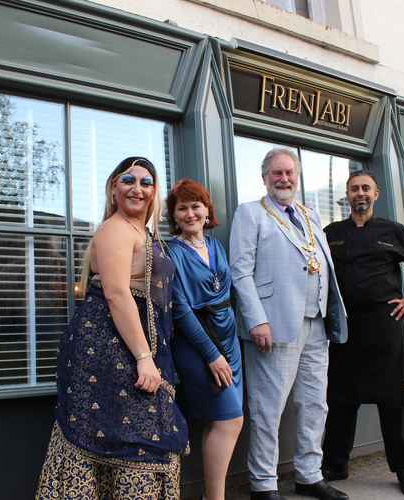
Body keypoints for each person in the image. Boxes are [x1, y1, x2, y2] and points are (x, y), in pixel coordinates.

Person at [35, 157, 189, 500]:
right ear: (113, 188)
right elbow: (118, 294)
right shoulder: (115, 229)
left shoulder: (144, 233)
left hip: (134, 345)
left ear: (154, 192)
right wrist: (144, 356)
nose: (137, 188)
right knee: (126, 437)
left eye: (146, 182)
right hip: (108, 349)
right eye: (128, 180)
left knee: (137, 436)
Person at [229, 148, 349, 500]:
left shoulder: (309, 215)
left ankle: (309, 475)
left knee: (315, 404)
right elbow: (241, 271)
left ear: (297, 177)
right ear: (264, 177)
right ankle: (263, 484)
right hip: (274, 326)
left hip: (316, 324)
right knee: (269, 409)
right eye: (277, 173)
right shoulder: (251, 213)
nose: (284, 179)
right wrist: (257, 320)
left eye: (289, 173)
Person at [321, 170, 404, 497]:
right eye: (354, 189)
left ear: (376, 194)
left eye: (365, 188)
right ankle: (335, 464)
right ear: (347, 195)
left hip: (385, 328)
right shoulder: (331, 233)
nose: (360, 194)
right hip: (345, 329)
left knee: (395, 402)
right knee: (340, 400)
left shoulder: (393, 231)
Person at [166, 179, 244, 500]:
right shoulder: (170, 251)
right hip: (198, 345)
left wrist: (230, 343)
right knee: (230, 420)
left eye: (195, 206)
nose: (190, 213)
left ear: (207, 209)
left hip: (230, 341)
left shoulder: (215, 245)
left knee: (220, 422)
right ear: (174, 215)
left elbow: (226, 293)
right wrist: (212, 355)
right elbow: (181, 310)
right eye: (182, 208)